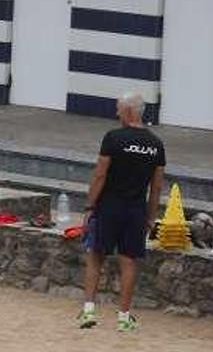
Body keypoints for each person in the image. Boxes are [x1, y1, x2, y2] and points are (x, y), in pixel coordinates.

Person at [78, 92, 165, 332]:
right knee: (128, 261)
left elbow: (100, 174)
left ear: (128, 111)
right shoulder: (156, 144)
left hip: (109, 205)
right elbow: (156, 187)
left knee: (96, 255)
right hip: (136, 208)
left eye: (118, 109)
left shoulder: (113, 138)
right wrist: (150, 215)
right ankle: (124, 317)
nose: (116, 113)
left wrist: (89, 206)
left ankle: (88, 311)